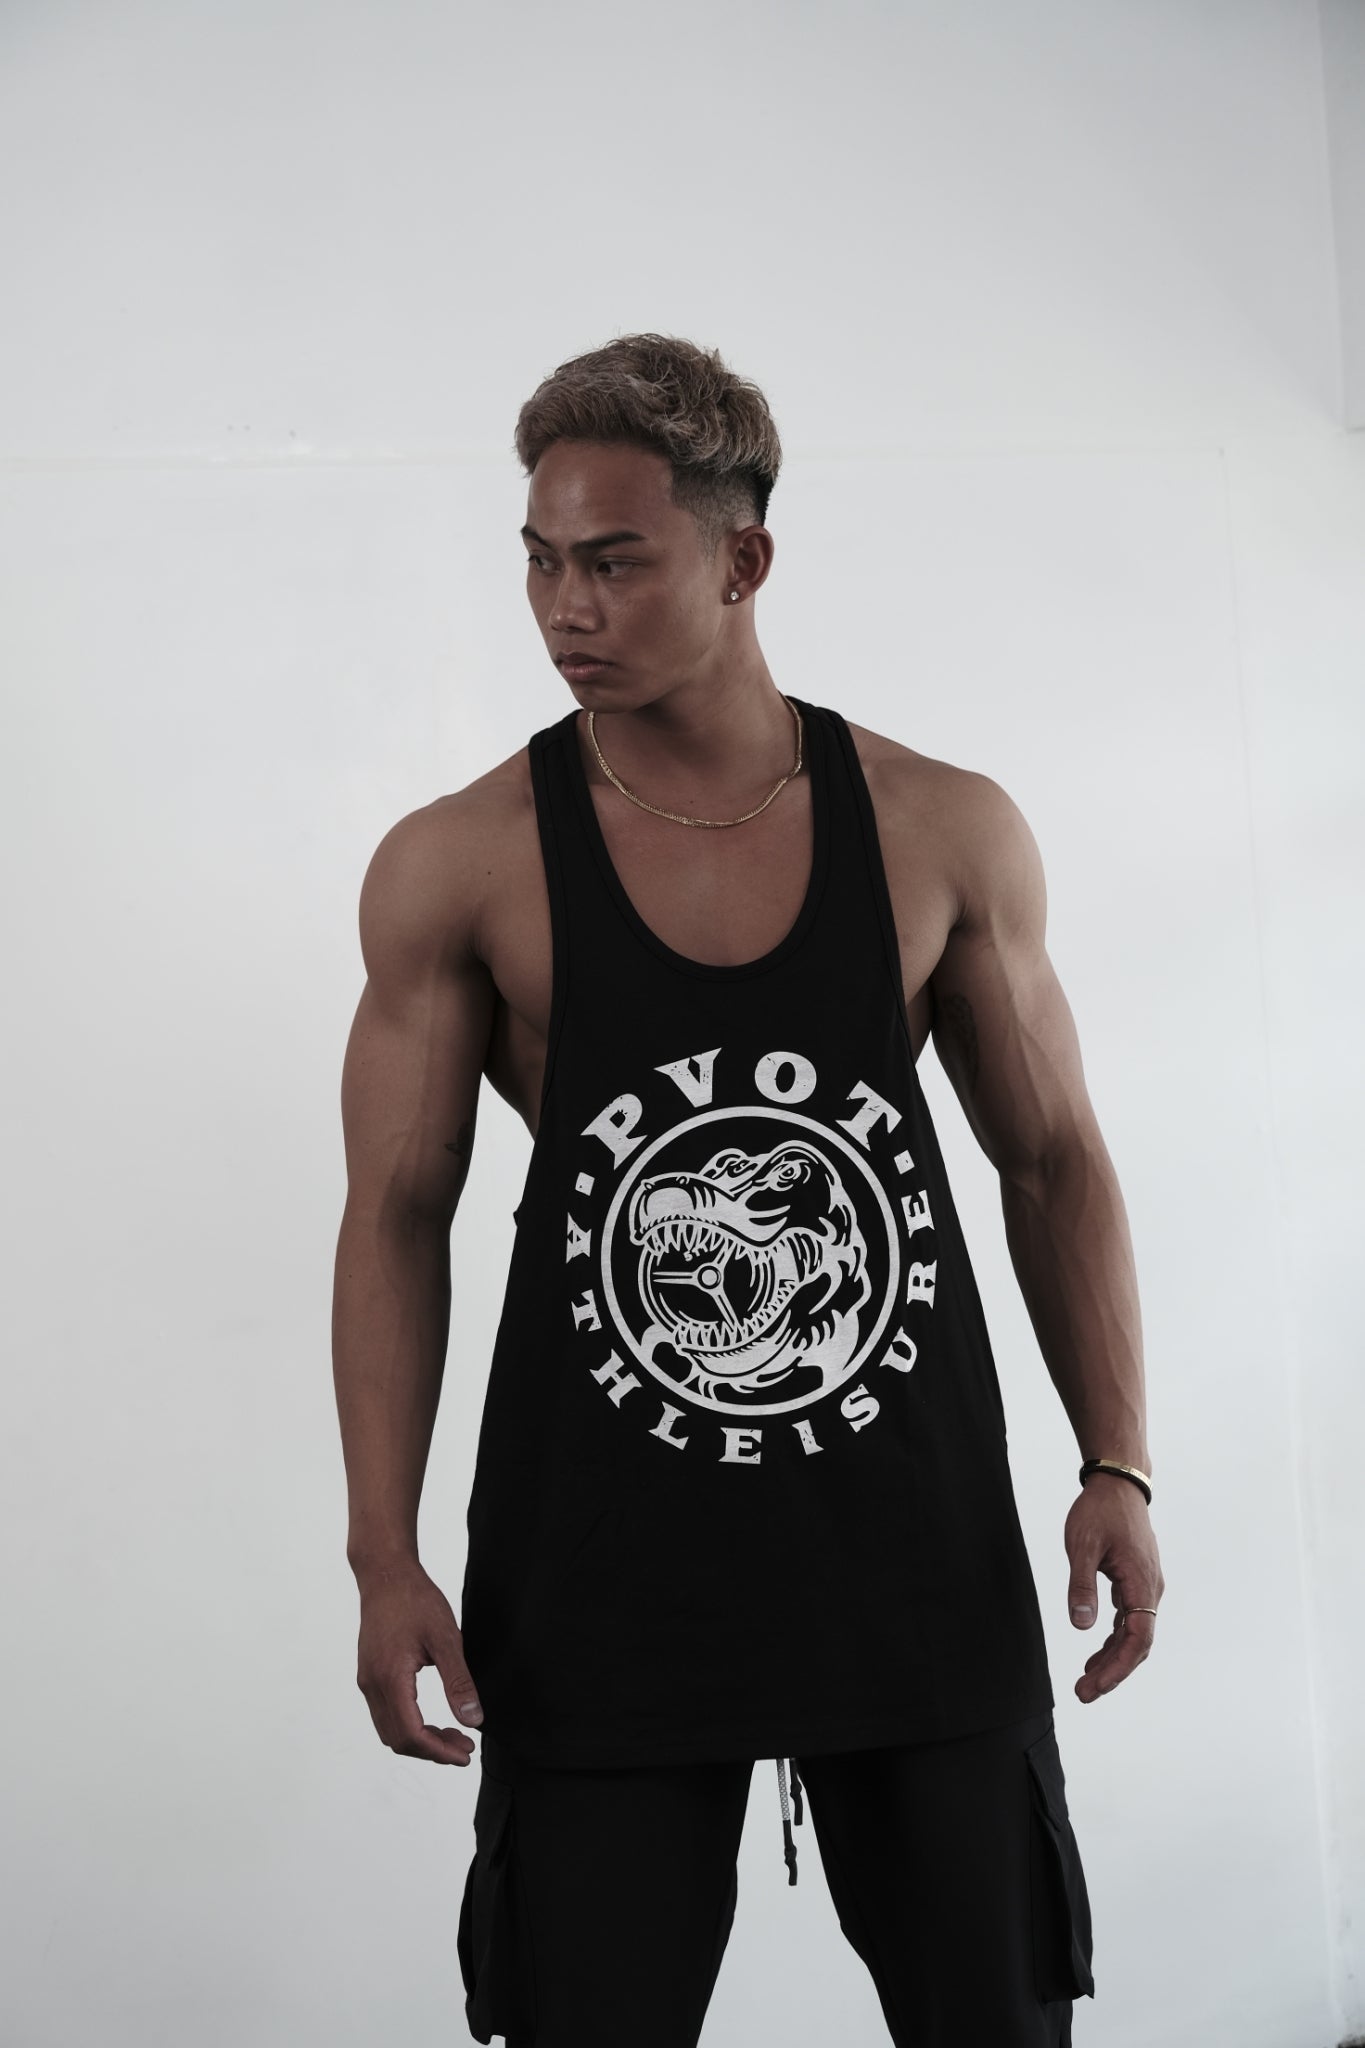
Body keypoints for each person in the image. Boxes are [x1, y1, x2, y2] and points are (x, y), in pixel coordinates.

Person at [331, 332, 1164, 2048]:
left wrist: (1117, 1462)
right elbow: (395, 1217)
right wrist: (381, 1557)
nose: (565, 609)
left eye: (614, 562)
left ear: (742, 560)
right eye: (540, 563)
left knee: (997, 2020)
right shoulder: (462, 861)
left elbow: (1053, 1159)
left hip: (914, 1564)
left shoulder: (939, 830)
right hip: (598, 1576)